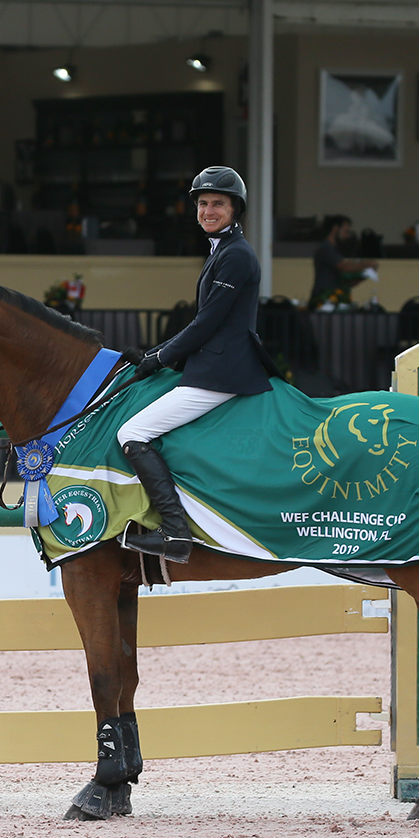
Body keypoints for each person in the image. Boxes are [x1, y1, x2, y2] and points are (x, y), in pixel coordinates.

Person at [120, 166, 280, 563]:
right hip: (211, 364)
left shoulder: (237, 256)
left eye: (218, 204)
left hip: (220, 373)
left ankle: (175, 532)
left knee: (133, 432)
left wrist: (160, 357)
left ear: (234, 209)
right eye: (203, 204)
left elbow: (207, 323)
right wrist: (157, 353)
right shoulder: (222, 250)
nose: (209, 211)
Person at [308, 215, 379, 310]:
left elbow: (346, 281)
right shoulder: (325, 249)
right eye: (345, 231)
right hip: (324, 302)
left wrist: (364, 275)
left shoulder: (335, 251)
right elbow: (344, 267)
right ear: (335, 229)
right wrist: (366, 264)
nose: (347, 235)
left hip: (336, 301)